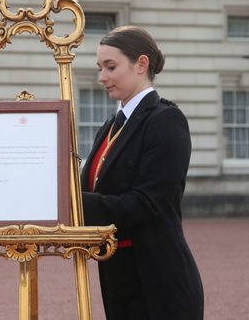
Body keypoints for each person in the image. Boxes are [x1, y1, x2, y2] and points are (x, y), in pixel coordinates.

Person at [81, 25, 204, 319]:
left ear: (141, 64)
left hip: (159, 276)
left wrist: (71, 202)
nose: (102, 77)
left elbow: (147, 203)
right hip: (116, 274)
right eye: (100, 68)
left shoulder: (167, 120)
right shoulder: (110, 126)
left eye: (111, 67)